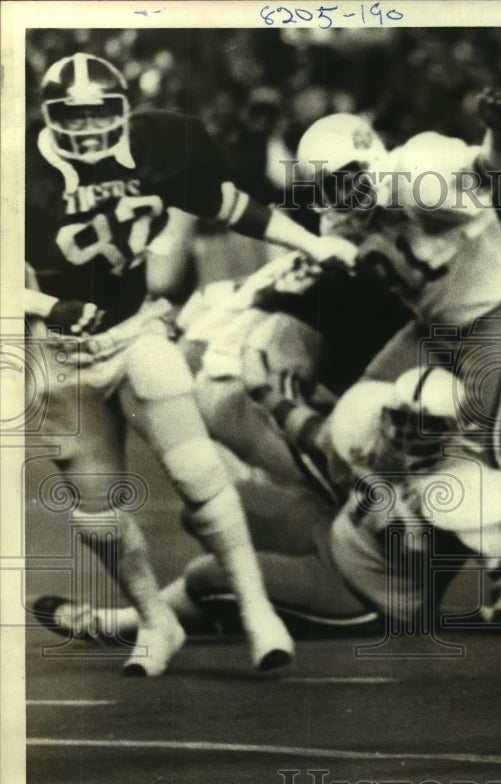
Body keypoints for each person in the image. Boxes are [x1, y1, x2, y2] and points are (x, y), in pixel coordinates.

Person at [25, 53, 358, 676]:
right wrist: (48, 304)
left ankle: (260, 612)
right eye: (78, 114)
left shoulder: (155, 142)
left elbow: (227, 204)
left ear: (124, 108)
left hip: (132, 331)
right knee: (96, 519)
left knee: (198, 473)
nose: (93, 126)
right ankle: (157, 621)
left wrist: (313, 242)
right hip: (60, 355)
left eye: (103, 111)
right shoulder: (20, 172)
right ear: (52, 117)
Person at [292, 90, 501, 620]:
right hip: (435, 327)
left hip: (499, 309)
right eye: (327, 188)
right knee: (361, 414)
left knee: (493, 449)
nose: (338, 198)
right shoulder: (341, 221)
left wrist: (500, 130)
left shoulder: (418, 171)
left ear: (370, 160)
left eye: (343, 180)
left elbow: (496, 164)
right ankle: (392, 540)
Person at [33, 368, 501, 644]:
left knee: (209, 575)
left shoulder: (463, 487)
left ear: (452, 434)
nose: (404, 434)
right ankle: (217, 611)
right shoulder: (373, 428)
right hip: (330, 532)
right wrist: (264, 391)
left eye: (424, 428)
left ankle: (115, 624)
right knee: (217, 507)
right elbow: (314, 434)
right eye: (400, 420)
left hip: (360, 597)